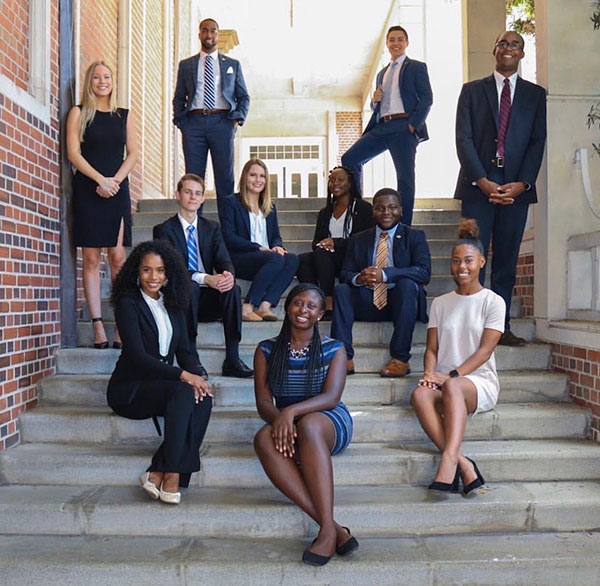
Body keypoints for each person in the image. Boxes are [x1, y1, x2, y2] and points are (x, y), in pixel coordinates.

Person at [253, 284, 357, 566]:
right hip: (288, 421)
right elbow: (263, 403)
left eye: (311, 306)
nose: (303, 310)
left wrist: (291, 412)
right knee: (263, 439)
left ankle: (324, 533)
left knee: (310, 425)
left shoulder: (334, 348)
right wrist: (281, 418)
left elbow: (331, 397)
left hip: (328, 419)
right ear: (287, 308)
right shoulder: (266, 350)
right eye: (298, 304)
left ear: (320, 314)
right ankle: (333, 528)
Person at [454, 30, 546, 346]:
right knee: (471, 256)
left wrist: (523, 183)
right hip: (477, 185)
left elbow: (537, 141)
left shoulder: (535, 95)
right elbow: (463, 139)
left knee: (506, 260)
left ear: (521, 54)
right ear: (495, 50)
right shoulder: (471, 91)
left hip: (515, 190)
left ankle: (500, 327)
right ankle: (470, 324)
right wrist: (481, 180)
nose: (508, 48)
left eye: (515, 45)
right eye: (503, 43)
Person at [107, 240, 213, 505]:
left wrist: (198, 375)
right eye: (146, 270)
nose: (153, 277)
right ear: (136, 272)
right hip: (130, 388)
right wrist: (183, 376)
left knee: (203, 399)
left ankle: (160, 471)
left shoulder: (174, 303)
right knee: (182, 389)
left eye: (160, 270)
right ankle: (173, 473)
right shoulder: (128, 304)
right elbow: (138, 356)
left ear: (168, 274)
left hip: (164, 385)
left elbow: (186, 350)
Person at [410, 219, 505, 494]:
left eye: (468, 261)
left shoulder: (493, 301)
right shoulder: (440, 303)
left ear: (481, 262)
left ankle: (450, 460)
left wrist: (450, 376)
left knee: (452, 386)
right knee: (419, 395)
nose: (461, 267)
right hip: (444, 379)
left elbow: (485, 351)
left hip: (477, 382)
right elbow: (432, 349)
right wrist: (429, 374)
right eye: (456, 261)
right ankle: (464, 463)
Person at [66, 61, 138, 349]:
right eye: (96, 77)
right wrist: (100, 180)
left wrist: (115, 181)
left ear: (113, 80)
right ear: (89, 81)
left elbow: (132, 153)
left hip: (116, 190)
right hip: (89, 188)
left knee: (118, 257)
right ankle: (98, 327)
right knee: (93, 259)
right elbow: (73, 153)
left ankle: (121, 323)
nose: (102, 81)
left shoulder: (124, 115)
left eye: (107, 76)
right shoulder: (79, 113)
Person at [153, 173, 253, 378]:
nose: (192, 197)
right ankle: (190, 357)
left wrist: (227, 275)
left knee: (232, 289)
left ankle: (232, 359)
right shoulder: (163, 230)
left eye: (197, 194)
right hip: (181, 299)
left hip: (206, 301)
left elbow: (224, 260)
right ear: (177, 195)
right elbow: (172, 269)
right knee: (190, 286)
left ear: (202, 199)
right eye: (188, 192)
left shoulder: (212, 228)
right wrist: (206, 278)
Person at [331, 188, 431, 377]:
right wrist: (359, 278)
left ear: (401, 210)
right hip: (368, 300)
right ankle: (343, 358)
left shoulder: (415, 236)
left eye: (392, 207)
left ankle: (400, 359)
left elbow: (424, 273)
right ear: (373, 211)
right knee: (342, 289)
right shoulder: (359, 239)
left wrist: (385, 275)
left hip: (401, 303)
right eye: (380, 208)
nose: (386, 212)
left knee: (407, 285)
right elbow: (345, 273)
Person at [341, 25, 433, 226]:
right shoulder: (382, 73)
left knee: (405, 179)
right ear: (387, 44)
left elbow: (427, 98)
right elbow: (380, 104)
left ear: (406, 43)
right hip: (381, 126)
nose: (396, 43)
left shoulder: (416, 67)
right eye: (392, 40)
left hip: (404, 126)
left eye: (400, 39)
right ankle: (359, 215)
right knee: (350, 159)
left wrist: (413, 124)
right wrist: (374, 101)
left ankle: (404, 226)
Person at [173, 17, 250, 201]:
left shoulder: (232, 65)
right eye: (205, 30)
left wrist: (236, 118)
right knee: (193, 179)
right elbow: (179, 97)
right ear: (199, 34)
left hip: (222, 122)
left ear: (218, 34)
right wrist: (181, 122)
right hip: (194, 123)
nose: (209, 34)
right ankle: (193, 226)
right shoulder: (187, 65)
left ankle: (228, 229)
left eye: (213, 30)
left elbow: (244, 97)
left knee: (225, 178)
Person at [219, 158, 299, 321]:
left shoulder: (269, 206)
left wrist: (277, 246)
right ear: (245, 177)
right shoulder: (231, 202)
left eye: (262, 176)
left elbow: (275, 235)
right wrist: (257, 247)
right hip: (241, 258)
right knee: (275, 259)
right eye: (253, 175)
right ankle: (248, 306)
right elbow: (228, 237)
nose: (258, 180)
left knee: (292, 259)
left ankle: (265, 306)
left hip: (268, 260)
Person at [296, 166, 375, 317]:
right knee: (302, 259)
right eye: (332, 180)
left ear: (350, 183)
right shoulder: (325, 212)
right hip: (327, 259)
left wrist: (336, 242)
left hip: (353, 258)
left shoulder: (363, 208)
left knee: (323, 254)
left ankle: (329, 299)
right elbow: (316, 242)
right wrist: (323, 244)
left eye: (340, 180)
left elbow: (365, 240)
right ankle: (315, 298)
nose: (335, 183)